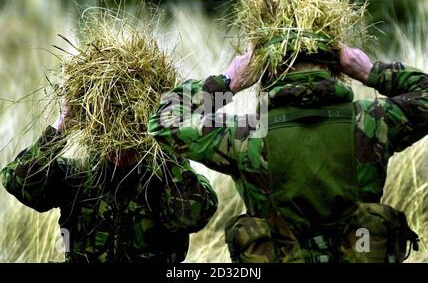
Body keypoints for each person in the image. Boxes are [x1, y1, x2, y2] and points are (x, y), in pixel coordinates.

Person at [148, 44, 428, 263]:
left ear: (267, 70)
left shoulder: (245, 134)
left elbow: (164, 123)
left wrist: (227, 82)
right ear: (332, 64)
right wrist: (370, 71)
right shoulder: (374, 120)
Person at [1, 102, 218, 263]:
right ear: (96, 133)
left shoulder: (169, 180)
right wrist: (61, 126)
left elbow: (192, 216)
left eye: (130, 134)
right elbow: (17, 181)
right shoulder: (77, 175)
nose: (119, 145)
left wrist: (167, 143)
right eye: (108, 132)